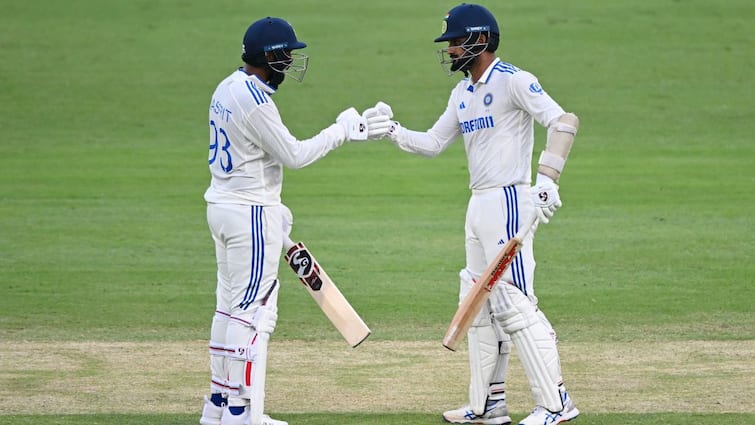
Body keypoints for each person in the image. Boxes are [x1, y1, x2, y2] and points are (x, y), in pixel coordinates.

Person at [364, 3, 581, 425]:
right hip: (478, 203)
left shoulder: (514, 80)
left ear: (479, 40)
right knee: (478, 302)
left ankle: (557, 404)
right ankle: (487, 406)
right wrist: (390, 130)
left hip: (510, 201)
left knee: (514, 303)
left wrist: (548, 179)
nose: (449, 50)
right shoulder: (462, 93)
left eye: (455, 42)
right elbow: (430, 143)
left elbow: (563, 122)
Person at [199, 16, 390, 425]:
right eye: (285, 54)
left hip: (225, 207)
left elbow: (257, 157)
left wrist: (273, 205)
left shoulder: (227, 86)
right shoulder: (255, 99)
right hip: (250, 216)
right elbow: (295, 155)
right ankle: (243, 414)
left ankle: (218, 407)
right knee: (254, 316)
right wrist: (344, 130)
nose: (290, 62)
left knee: (229, 309)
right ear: (269, 57)